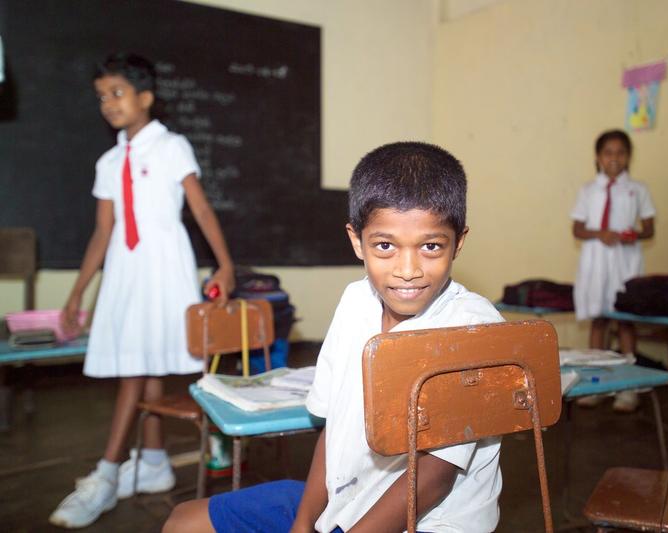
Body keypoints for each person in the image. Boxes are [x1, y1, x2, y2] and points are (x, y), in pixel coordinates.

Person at [162, 142, 504, 533]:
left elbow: (435, 475)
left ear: (458, 242)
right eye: (385, 246)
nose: (408, 270)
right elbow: (333, 425)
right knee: (183, 522)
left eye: (430, 246)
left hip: (432, 521)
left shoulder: (472, 326)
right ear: (357, 241)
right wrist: (304, 523)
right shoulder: (356, 301)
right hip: (350, 498)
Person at [49, 53, 235, 529]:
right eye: (101, 97)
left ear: (145, 97)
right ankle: (152, 462)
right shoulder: (109, 160)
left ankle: (107, 473)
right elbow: (102, 232)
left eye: (118, 93)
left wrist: (225, 263)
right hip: (126, 272)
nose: (108, 103)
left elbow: (201, 209)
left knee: (137, 368)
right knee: (142, 361)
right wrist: (76, 294)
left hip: (165, 269)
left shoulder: (172, 146)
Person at [571, 129, 655, 412]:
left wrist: (633, 235)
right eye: (608, 153)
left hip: (625, 260)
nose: (614, 158)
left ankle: (628, 388)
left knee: (625, 320)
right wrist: (600, 233)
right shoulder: (588, 190)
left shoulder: (637, 189)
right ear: (598, 157)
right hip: (596, 260)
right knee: (599, 320)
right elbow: (578, 228)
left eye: (620, 153)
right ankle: (595, 385)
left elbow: (649, 228)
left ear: (629, 157)